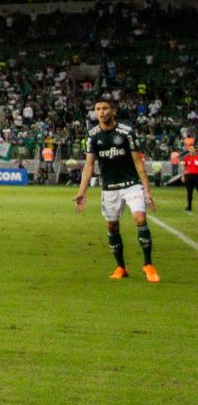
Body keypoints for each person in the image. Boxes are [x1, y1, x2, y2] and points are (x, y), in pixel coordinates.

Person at [74, 100, 157, 281]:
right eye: (98, 109)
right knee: (112, 226)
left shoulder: (126, 133)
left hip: (131, 184)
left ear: (113, 111)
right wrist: (82, 191)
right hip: (109, 188)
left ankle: (148, 265)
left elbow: (138, 162)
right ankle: (121, 267)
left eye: (105, 108)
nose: (101, 112)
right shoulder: (92, 136)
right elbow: (89, 166)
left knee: (140, 218)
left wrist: (147, 191)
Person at [181, 146, 198, 212]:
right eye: (190, 149)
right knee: (189, 192)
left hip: (197, 176)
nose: (191, 150)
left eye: (192, 149)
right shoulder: (187, 158)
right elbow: (183, 167)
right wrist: (182, 176)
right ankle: (189, 206)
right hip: (189, 176)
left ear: (195, 150)